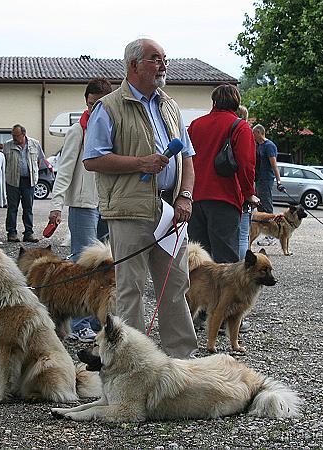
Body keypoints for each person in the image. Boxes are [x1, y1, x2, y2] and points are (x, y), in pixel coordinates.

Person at [82, 38, 197, 359]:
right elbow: (92, 159)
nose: (163, 65)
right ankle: (131, 361)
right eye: (155, 59)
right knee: (130, 290)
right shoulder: (108, 107)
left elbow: (188, 158)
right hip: (129, 211)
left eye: (164, 59)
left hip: (171, 212)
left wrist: (185, 196)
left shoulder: (170, 105)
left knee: (175, 286)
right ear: (133, 65)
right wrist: (140, 163)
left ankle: (181, 360)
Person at [48, 77, 113, 343]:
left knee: (107, 265)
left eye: (99, 104)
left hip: (108, 204)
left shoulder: (113, 130)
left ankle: (99, 318)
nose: (94, 108)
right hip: (83, 204)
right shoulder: (78, 130)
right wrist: (56, 205)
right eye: (90, 104)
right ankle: (78, 322)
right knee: (82, 265)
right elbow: (64, 170)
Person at [188, 86, 258, 264]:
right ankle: (225, 293)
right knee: (225, 258)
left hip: (195, 197)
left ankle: (199, 292)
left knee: (199, 259)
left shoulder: (196, 124)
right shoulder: (240, 127)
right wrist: (249, 193)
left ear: (214, 101)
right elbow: (246, 164)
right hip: (224, 198)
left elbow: (185, 159)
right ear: (236, 102)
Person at [3, 125, 46, 243]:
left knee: (28, 208)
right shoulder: (8, 145)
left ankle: (28, 233)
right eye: (13, 135)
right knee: (12, 208)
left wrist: (34, 172)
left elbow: (40, 159)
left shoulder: (35, 144)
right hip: (12, 180)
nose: (14, 138)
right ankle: (11, 233)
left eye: (16, 135)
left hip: (29, 180)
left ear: (23, 134)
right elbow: (4, 162)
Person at [253, 124, 282, 246]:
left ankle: (273, 235)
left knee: (267, 207)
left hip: (266, 179)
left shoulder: (269, 146)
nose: (252, 136)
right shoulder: (258, 145)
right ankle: (264, 233)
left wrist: (279, 181)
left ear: (259, 132)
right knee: (260, 208)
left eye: (253, 133)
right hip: (259, 179)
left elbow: (274, 164)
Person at [236, 105, 253, 259]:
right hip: (239, 194)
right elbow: (247, 166)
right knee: (242, 237)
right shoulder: (244, 132)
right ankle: (243, 267)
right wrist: (249, 194)